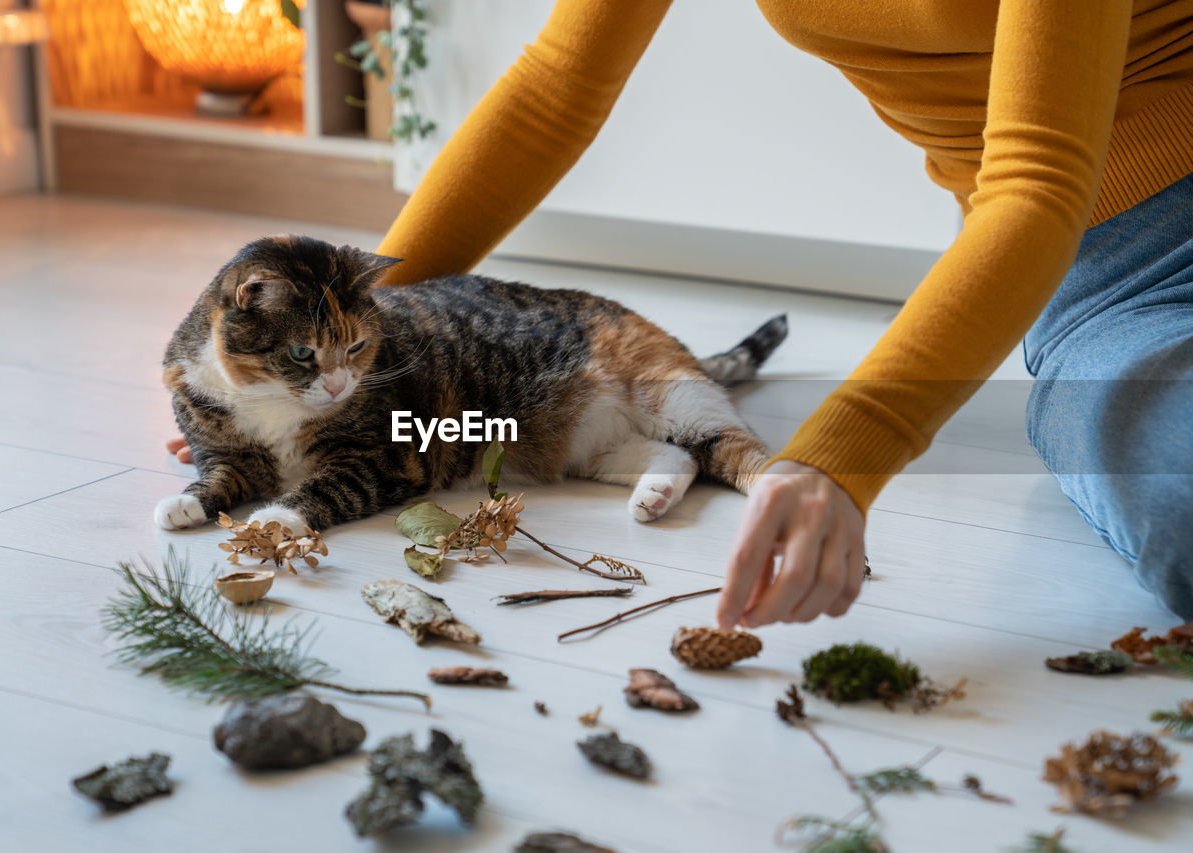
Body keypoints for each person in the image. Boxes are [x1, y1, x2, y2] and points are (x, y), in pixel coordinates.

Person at [171, 0, 1193, 622]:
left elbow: (1035, 177)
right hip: (1132, 272)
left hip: (1070, 205)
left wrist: (845, 451)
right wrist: (329, 379)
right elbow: (552, 90)